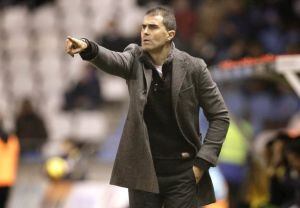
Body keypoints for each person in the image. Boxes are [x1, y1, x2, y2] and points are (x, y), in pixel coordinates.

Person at [65, 6, 229, 208]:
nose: (145, 32)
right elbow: (112, 60)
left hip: (183, 172)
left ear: (170, 34)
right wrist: (89, 47)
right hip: (142, 171)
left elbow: (220, 117)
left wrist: (202, 164)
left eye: (152, 27)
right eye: (143, 27)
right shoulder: (134, 59)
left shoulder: (194, 67)